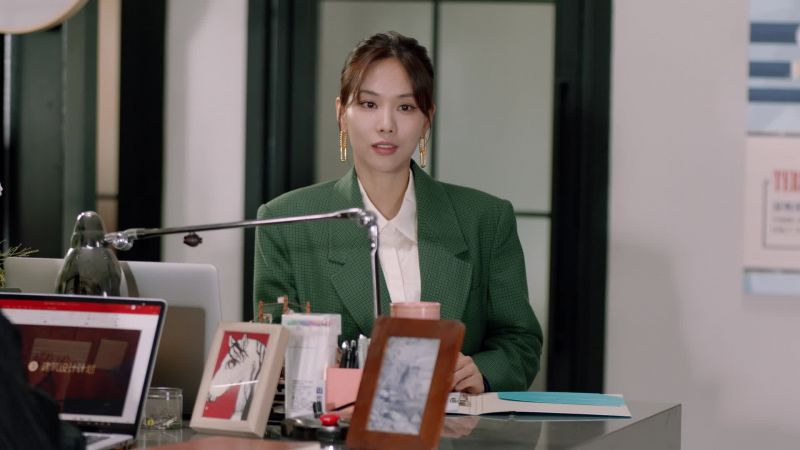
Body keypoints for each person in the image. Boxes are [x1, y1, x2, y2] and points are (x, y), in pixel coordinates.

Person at [253, 31, 542, 393]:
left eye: (405, 107)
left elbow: (520, 341)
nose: (386, 124)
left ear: (427, 119)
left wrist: (480, 371)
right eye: (369, 104)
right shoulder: (286, 222)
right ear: (341, 114)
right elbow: (273, 351)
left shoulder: (485, 219)